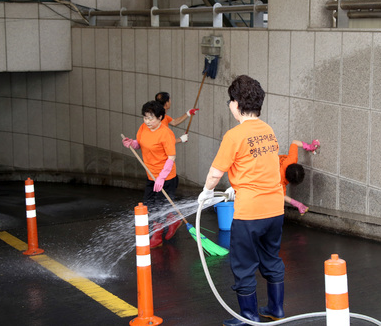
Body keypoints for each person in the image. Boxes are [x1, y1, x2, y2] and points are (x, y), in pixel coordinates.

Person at [198, 75, 285, 325]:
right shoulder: (268, 130)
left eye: (230, 101)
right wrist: (239, 186)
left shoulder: (234, 135)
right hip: (275, 210)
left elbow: (216, 172)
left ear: (236, 103)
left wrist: (206, 192)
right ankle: (276, 308)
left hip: (249, 214)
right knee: (271, 258)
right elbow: (262, 167)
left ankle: (248, 316)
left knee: (244, 264)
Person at [122, 100, 181, 248]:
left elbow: (171, 157)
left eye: (151, 118)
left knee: (159, 207)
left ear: (161, 117)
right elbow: (140, 143)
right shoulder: (143, 128)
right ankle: (172, 219)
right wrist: (132, 143)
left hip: (166, 178)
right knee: (148, 205)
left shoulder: (166, 133)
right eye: (145, 117)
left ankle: (157, 236)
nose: (147, 121)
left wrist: (161, 176)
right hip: (151, 175)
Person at [279, 139, 320, 215]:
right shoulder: (279, 180)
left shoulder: (292, 160)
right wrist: (297, 204)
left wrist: (309, 147)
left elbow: (294, 142)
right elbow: (281, 195)